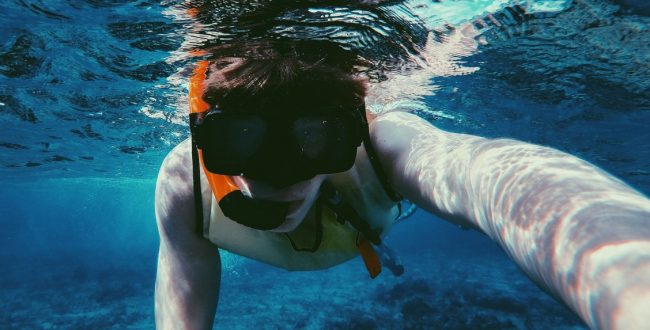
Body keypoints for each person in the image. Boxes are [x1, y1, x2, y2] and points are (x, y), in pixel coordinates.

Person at [154, 50, 650, 330]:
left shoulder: (384, 143)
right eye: (238, 140)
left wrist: (629, 279)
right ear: (205, 138)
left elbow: (490, 175)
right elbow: (182, 293)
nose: (276, 174)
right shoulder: (185, 182)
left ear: (349, 132)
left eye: (317, 140)